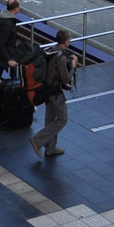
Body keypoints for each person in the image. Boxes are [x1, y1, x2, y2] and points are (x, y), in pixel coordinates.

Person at [30, 30, 77, 159]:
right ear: (66, 41)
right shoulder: (61, 57)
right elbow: (66, 78)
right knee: (62, 119)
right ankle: (37, 140)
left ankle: (50, 148)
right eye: (69, 39)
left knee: (50, 119)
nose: (70, 41)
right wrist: (73, 66)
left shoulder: (51, 50)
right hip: (56, 92)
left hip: (47, 90)